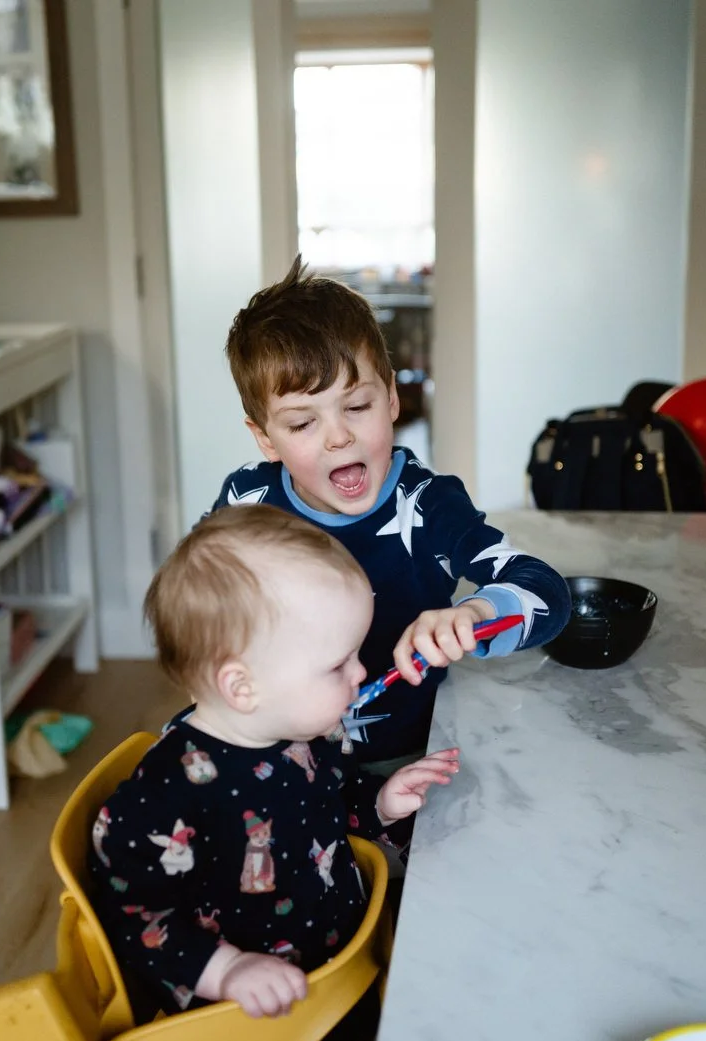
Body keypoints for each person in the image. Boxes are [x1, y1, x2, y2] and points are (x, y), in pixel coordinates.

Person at [88, 505, 460, 1034]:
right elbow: (137, 919)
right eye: (338, 664)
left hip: (336, 970)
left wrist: (379, 802)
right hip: (257, 1019)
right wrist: (228, 970)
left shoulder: (305, 730)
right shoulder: (166, 795)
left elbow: (332, 799)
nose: (360, 672)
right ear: (243, 687)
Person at [211, 257, 571, 773]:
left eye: (356, 407)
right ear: (265, 437)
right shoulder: (247, 501)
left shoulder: (429, 506)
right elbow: (200, 608)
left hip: (402, 762)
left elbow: (547, 592)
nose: (339, 436)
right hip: (277, 760)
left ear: (393, 399)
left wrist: (473, 614)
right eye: (302, 423)